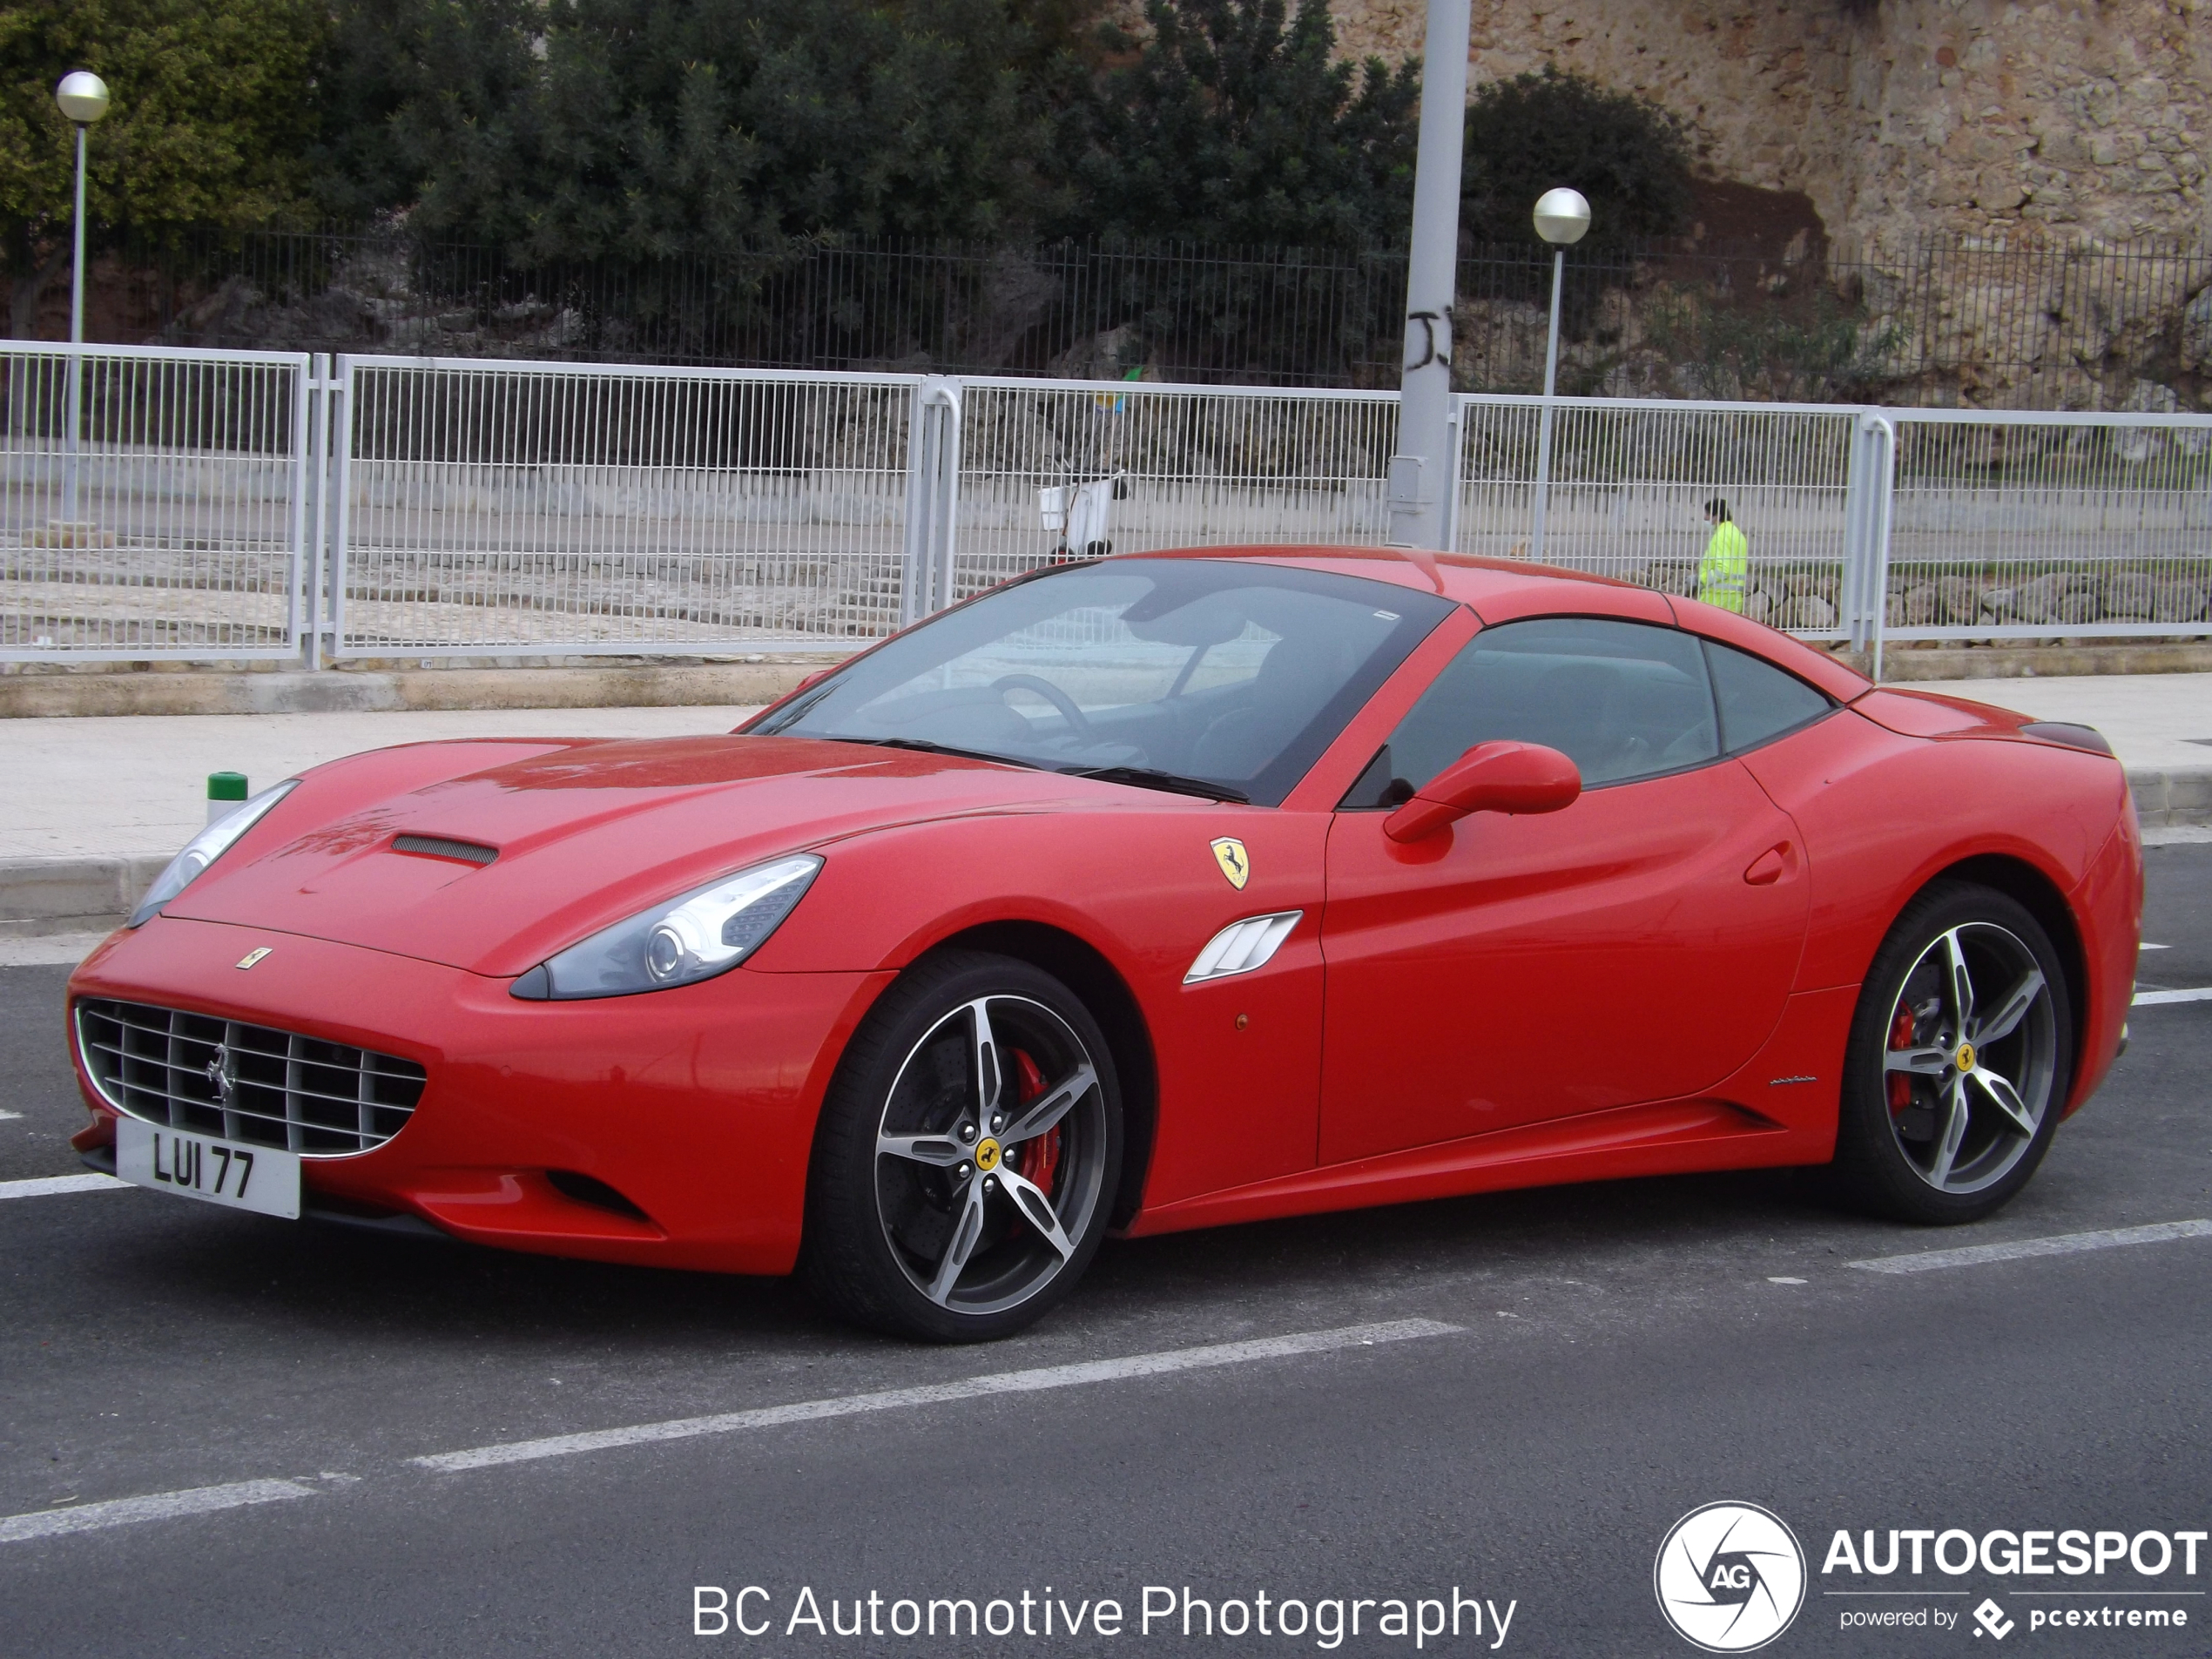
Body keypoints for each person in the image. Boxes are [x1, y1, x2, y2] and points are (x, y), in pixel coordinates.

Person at [1698, 498, 1749, 613]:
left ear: (1717, 516)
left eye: (1708, 514)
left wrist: (1701, 580)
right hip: (1734, 598)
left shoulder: (1721, 536)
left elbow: (1723, 570)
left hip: (1717, 599)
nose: (1705, 518)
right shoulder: (1736, 534)